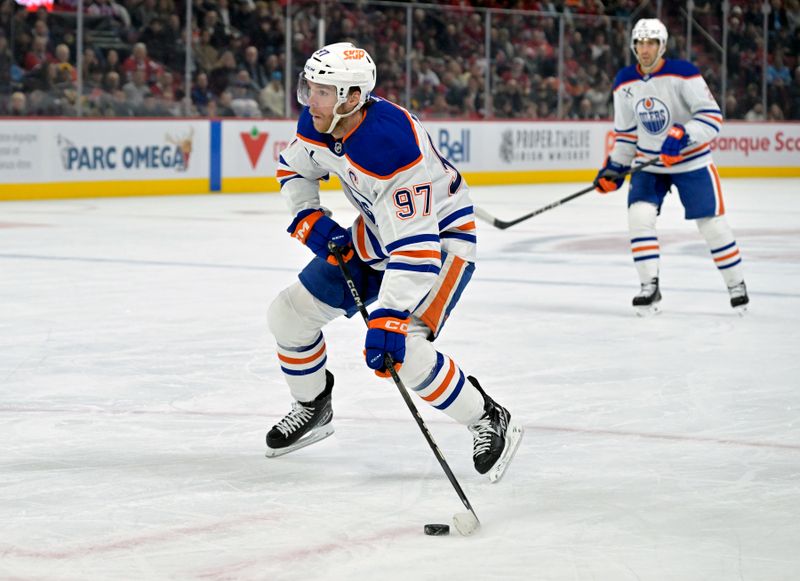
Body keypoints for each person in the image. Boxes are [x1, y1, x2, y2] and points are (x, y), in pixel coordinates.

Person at [265, 42, 523, 482]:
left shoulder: (390, 145)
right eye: (309, 87)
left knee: (405, 353)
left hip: (439, 244)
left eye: (322, 91)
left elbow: (417, 247)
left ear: (351, 97)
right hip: (379, 235)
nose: (310, 99)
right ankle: (313, 405)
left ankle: (487, 417)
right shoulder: (320, 119)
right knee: (287, 316)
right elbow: (294, 169)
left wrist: (388, 315)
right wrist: (308, 216)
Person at [594, 18, 749, 315]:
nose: (645, 48)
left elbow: (712, 117)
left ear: (662, 45)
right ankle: (649, 287)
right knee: (639, 217)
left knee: (713, 226)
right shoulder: (624, 82)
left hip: (692, 162)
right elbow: (626, 135)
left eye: (651, 42)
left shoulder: (684, 74)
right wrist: (614, 167)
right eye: (639, 42)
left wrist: (683, 134)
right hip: (649, 164)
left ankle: (736, 284)